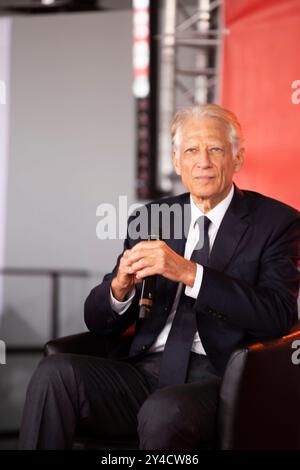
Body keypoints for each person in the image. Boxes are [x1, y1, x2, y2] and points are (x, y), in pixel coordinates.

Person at [19, 104, 300, 450]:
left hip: (219, 378)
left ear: (237, 158)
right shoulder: (153, 217)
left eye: (215, 149)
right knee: (54, 373)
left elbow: (277, 315)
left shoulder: (276, 223)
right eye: (192, 151)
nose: (204, 161)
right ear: (177, 161)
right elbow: (97, 321)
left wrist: (189, 273)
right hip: (142, 370)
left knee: (164, 410)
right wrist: (119, 288)